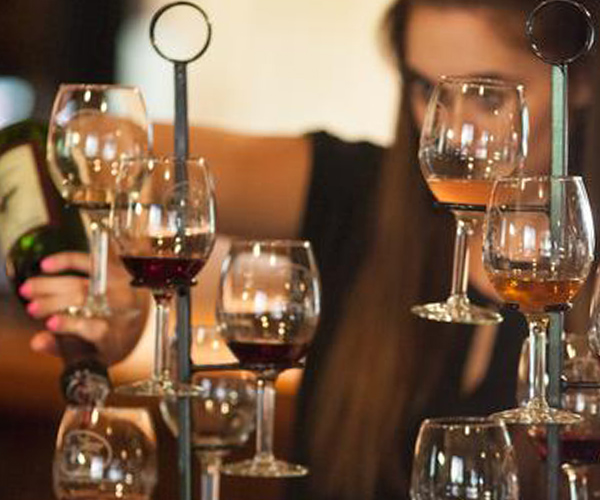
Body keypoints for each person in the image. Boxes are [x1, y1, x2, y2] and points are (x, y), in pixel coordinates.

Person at [19, 0, 600, 499]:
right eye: (427, 89)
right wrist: (114, 264)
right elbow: (89, 145)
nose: (446, 132)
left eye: (488, 95)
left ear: (580, 79)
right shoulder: (360, 196)